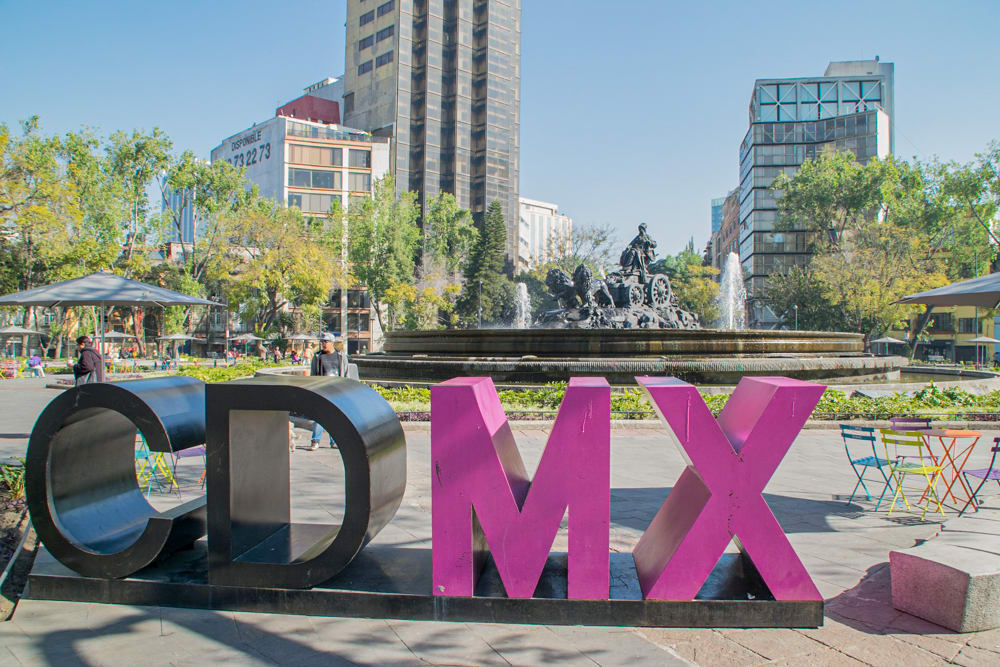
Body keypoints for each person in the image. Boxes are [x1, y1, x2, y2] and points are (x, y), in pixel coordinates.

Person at [309, 332, 345, 450]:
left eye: (325, 341)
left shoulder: (340, 356)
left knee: (334, 417)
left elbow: (345, 373)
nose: (323, 344)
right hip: (321, 390)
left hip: (336, 390)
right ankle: (315, 441)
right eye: (322, 342)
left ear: (332, 343)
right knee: (319, 417)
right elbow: (313, 374)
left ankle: (334, 441)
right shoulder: (317, 356)